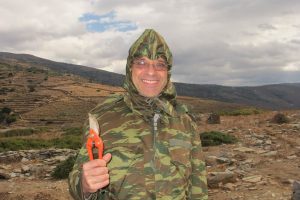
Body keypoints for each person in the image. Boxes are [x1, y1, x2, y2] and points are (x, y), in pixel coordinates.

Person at [68, 29, 208, 200]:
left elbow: (198, 187)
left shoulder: (185, 121)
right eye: (141, 62)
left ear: (167, 72)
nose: (151, 71)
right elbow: (78, 181)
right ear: (130, 68)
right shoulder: (102, 118)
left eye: (160, 64)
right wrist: (84, 186)